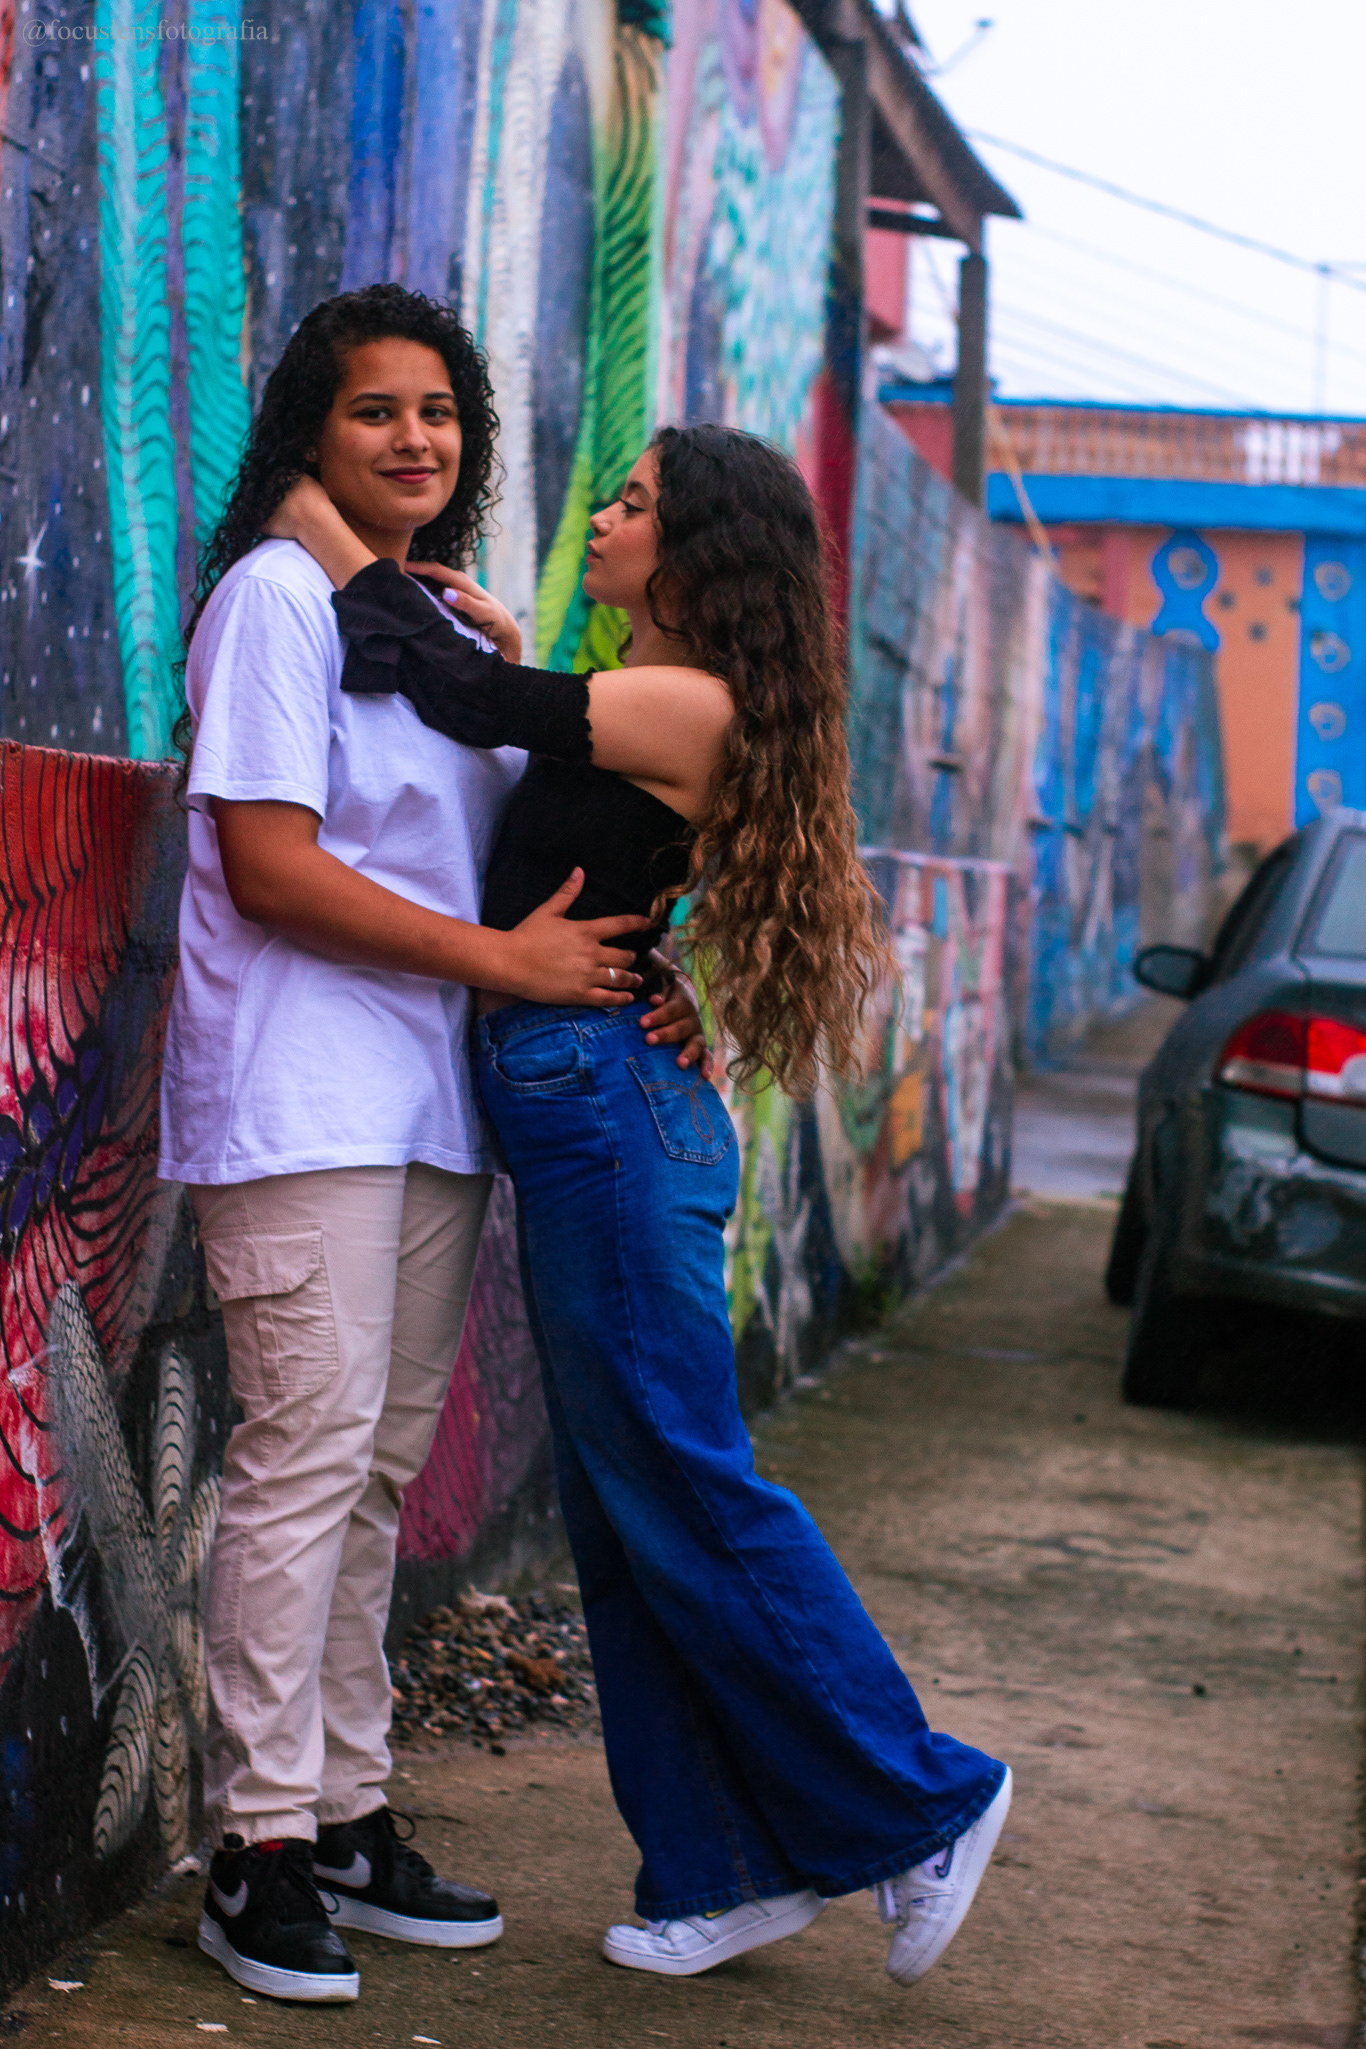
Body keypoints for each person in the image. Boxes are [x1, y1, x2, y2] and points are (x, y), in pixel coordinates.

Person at [272, 421, 1013, 1991]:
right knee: (625, 1508)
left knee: (681, 1474)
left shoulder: (685, 700)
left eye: (632, 504)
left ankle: (921, 1800)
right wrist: (491, 644)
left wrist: (320, 524)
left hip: (608, 1115)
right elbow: (516, 731)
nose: (603, 517)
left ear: (698, 556)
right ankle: (718, 1866)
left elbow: (459, 698)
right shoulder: (652, 697)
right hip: (589, 1106)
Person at [158, 284, 704, 2006]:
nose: (415, 438)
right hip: (297, 1093)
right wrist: (503, 964)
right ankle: (253, 1846)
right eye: (375, 410)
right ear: (310, 433)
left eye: (440, 412)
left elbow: (523, 842)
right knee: (305, 1457)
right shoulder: (275, 600)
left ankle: (341, 1808)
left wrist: (644, 971)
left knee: (376, 1468)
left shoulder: (432, 630)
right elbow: (270, 866)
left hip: (426, 1102)